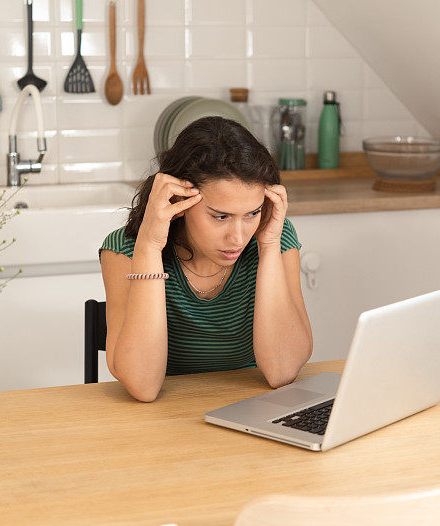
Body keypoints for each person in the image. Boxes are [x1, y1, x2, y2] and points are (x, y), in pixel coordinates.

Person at [99, 117, 313, 402]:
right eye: (220, 217)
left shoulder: (272, 236)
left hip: (254, 407)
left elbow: (281, 372)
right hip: (165, 420)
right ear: (180, 201)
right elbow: (142, 386)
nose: (238, 238)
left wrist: (270, 246)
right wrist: (149, 247)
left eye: (251, 213)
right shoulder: (125, 250)